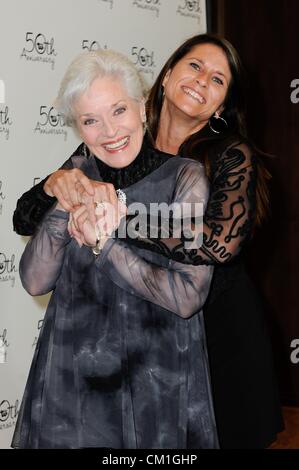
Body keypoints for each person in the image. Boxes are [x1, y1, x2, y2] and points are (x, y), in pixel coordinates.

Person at [13, 34, 283, 448]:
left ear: (223, 104)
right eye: (195, 66)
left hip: (216, 327)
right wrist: (59, 183)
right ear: (169, 71)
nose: (201, 80)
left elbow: (217, 243)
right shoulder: (115, 136)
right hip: (127, 336)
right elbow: (25, 215)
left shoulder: (225, 155)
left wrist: (118, 220)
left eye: (218, 79)